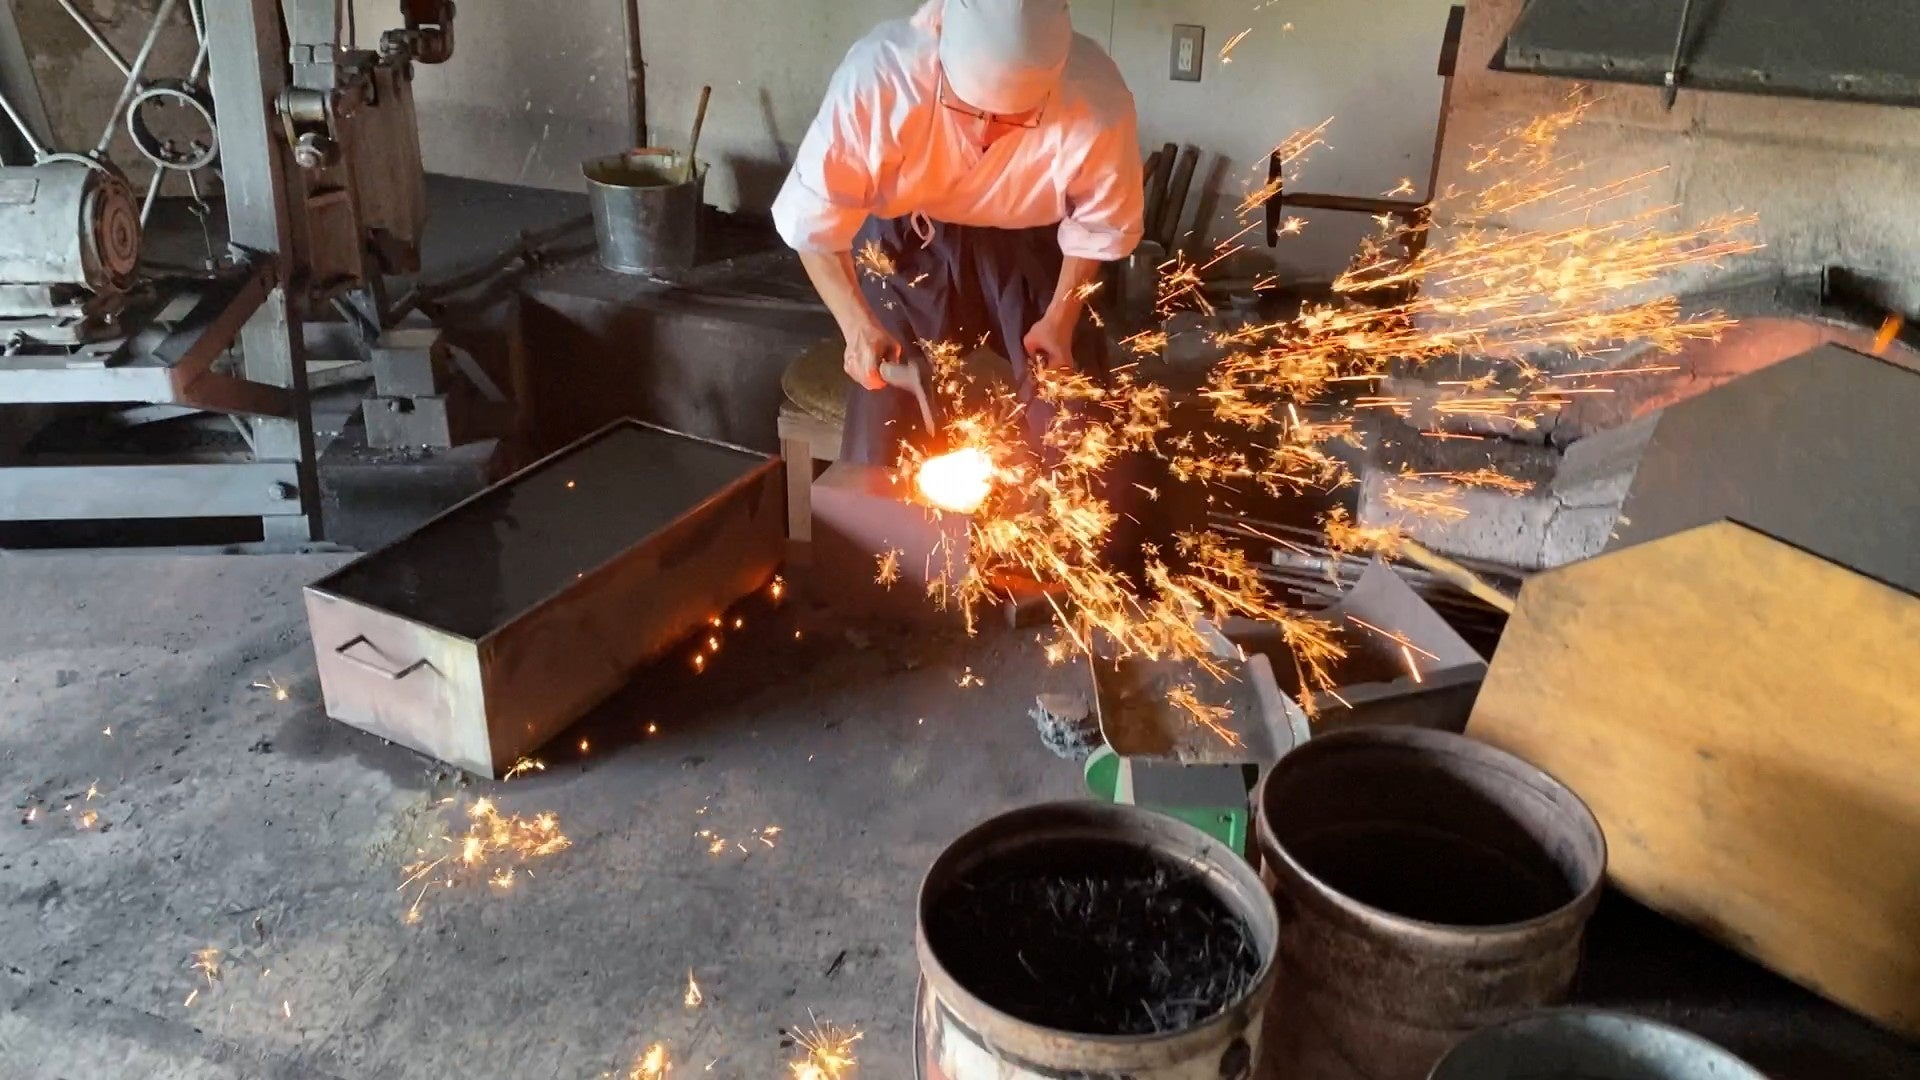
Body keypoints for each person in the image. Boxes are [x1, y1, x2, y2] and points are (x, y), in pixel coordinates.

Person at [773, 0, 1145, 466]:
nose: (985, 134)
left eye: (1012, 118)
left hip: (1032, 244)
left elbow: (1097, 225)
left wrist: (1059, 320)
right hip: (911, 238)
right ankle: (875, 507)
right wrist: (856, 324)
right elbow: (814, 223)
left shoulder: (1097, 101)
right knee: (883, 413)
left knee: (1070, 415)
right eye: (968, 109)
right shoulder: (881, 77)